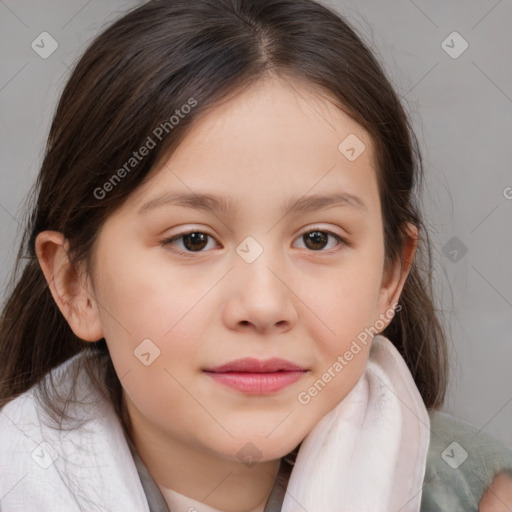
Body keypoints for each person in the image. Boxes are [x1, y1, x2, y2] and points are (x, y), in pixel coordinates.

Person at [0, 0, 510, 510]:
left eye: (318, 239)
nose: (263, 306)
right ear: (75, 284)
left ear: (389, 279)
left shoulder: (481, 495)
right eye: (192, 240)